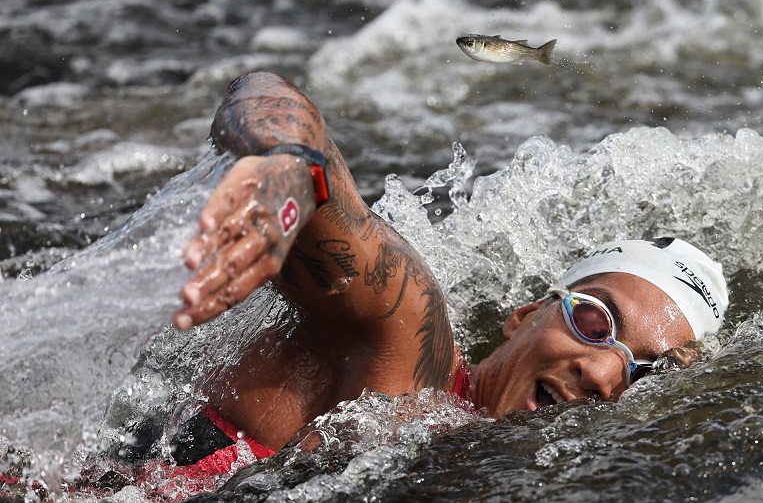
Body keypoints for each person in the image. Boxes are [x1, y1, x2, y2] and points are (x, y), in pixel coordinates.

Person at [166, 71, 729, 477]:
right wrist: (287, 163)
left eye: (643, 373)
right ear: (525, 314)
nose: (605, 374)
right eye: (594, 319)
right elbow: (273, 95)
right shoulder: (406, 344)